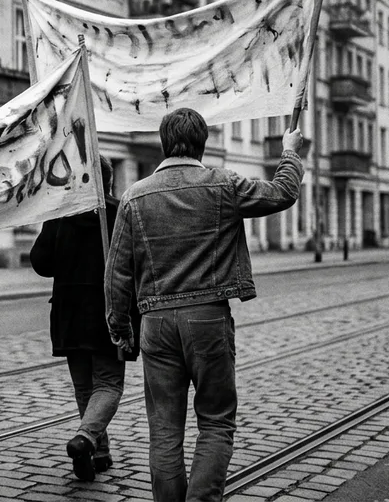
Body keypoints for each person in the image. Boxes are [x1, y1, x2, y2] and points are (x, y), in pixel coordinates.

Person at [105, 108, 303, 502]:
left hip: (155, 323)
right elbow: (283, 192)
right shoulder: (224, 184)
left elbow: (118, 274)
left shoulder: (133, 197)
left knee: (164, 429)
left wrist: (121, 331)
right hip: (208, 318)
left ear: (164, 142)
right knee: (215, 421)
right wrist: (290, 152)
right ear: (203, 142)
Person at [30, 155, 137, 482]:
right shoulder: (119, 211)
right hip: (106, 310)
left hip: (68, 312)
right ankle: (88, 440)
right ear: (107, 181)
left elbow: (40, 261)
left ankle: (98, 453)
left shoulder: (61, 213)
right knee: (107, 384)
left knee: (84, 386)